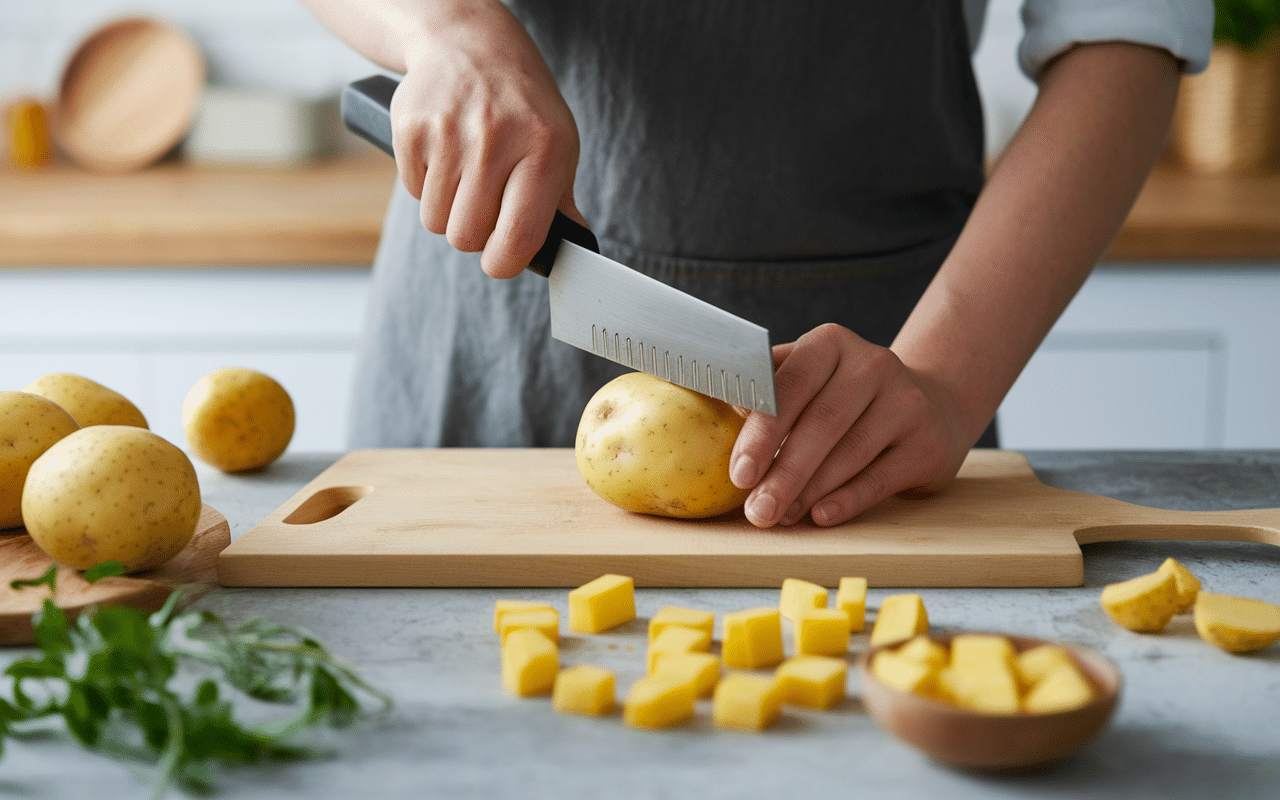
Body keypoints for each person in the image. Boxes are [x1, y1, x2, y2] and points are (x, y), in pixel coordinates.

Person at [301, 0, 1211, 529]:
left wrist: (942, 381)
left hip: (886, 377)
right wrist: (445, 27)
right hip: (481, 311)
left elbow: (1128, 29)